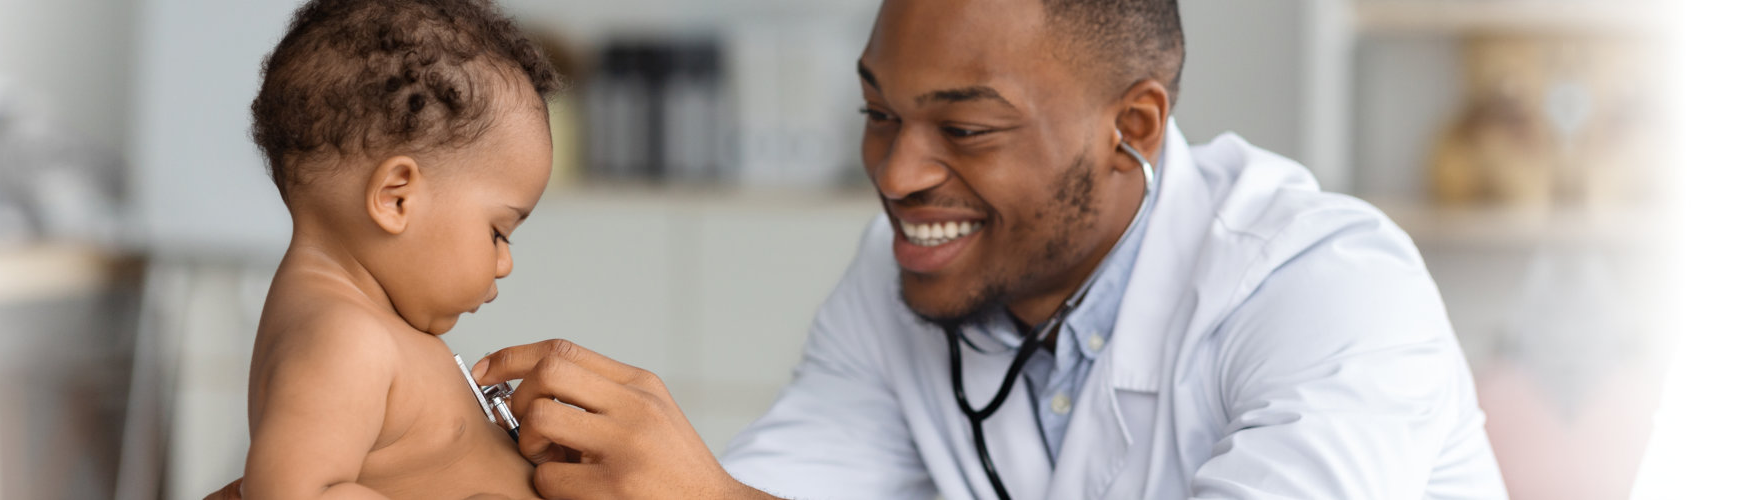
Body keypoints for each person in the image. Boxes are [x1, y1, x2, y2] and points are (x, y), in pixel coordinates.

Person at [460, 0, 1510, 498]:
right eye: (880, 112)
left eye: (965, 129)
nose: (900, 173)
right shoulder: (904, 280)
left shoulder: (1324, 291)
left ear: (1132, 129)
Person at [226, 0, 560, 498]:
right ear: (396, 197)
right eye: (499, 232)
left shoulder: (369, 323)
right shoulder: (346, 338)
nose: (505, 263)